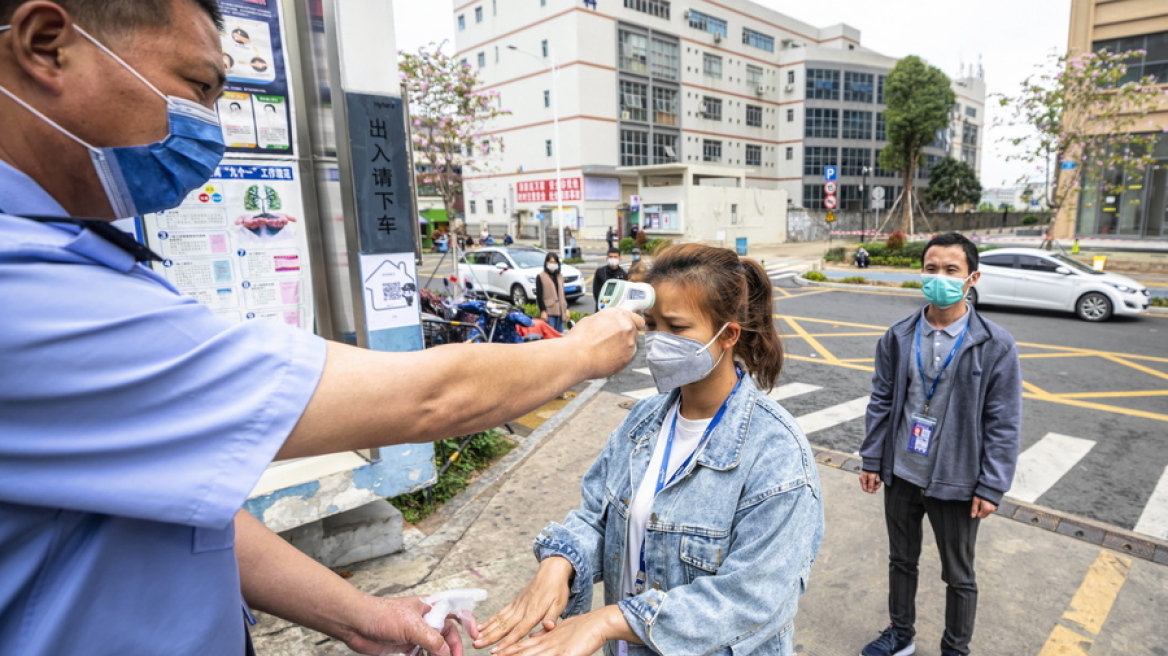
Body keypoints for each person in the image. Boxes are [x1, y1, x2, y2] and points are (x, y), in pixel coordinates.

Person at [0, 3, 644, 655]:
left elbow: (175, 502)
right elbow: (426, 398)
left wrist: (358, 616)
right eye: (197, 87)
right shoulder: (25, 292)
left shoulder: (74, 252)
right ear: (48, 44)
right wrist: (584, 351)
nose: (209, 128)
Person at [475, 244, 824, 656]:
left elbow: (750, 600)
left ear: (728, 334)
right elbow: (597, 516)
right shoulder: (642, 421)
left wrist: (609, 621)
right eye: (652, 324)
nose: (658, 341)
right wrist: (560, 562)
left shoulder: (777, 454)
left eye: (676, 329)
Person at [857, 232, 1022, 656]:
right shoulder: (898, 335)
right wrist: (872, 459)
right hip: (902, 470)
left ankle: (955, 648)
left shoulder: (995, 344)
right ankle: (900, 634)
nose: (940, 278)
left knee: (959, 574)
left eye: (951, 270)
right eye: (931, 269)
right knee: (901, 560)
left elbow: (1003, 421)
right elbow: (881, 400)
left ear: (972, 278)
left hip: (956, 478)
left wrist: (991, 485)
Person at [535, 251, 567, 333]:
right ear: (546, 263)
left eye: (555, 262)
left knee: (559, 335)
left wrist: (566, 309)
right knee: (550, 335)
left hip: (560, 310)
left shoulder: (560, 276)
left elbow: (563, 294)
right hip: (549, 311)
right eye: (551, 262)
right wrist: (543, 311)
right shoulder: (541, 276)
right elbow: (539, 295)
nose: (553, 264)